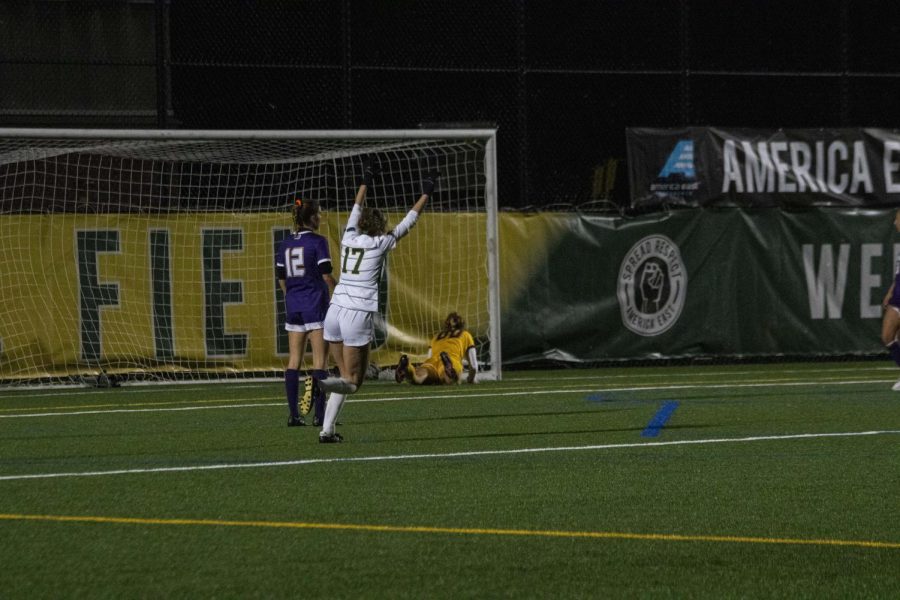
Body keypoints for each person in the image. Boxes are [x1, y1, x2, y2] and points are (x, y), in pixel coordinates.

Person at [313, 158, 438, 443]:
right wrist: (426, 193)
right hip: (357, 313)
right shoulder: (381, 243)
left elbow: (356, 208)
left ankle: (327, 431)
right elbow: (409, 221)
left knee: (345, 378)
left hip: (335, 310)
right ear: (379, 227)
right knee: (354, 383)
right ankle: (321, 384)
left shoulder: (348, 236)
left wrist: (365, 180)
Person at [276, 198, 335, 426]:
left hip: (294, 305)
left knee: (294, 360)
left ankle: (294, 415)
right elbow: (326, 276)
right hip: (316, 304)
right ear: (310, 218)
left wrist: (292, 296)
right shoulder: (318, 242)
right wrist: (341, 291)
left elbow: (282, 280)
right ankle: (320, 416)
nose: (320, 217)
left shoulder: (285, 243)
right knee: (320, 362)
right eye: (318, 214)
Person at [394, 312, 478, 385]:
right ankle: (448, 370)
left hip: (432, 361)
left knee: (418, 378)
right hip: (452, 359)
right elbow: (473, 365)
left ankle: (408, 367)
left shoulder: (437, 336)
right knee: (450, 380)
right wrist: (471, 379)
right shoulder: (466, 335)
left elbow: (429, 357)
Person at [881, 209, 900, 391]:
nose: (895, 223)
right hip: (898, 296)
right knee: (887, 336)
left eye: (897, 219)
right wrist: (890, 292)